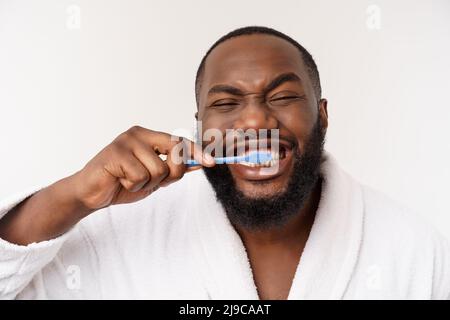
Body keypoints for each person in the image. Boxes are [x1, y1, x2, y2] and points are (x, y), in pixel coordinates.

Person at [1, 26, 449, 300]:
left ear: (323, 115)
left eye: (284, 96)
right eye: (227, 102)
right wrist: (75, 195)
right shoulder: (117, 235)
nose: (255, 119)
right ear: (200, 126)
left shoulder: (412, 249)